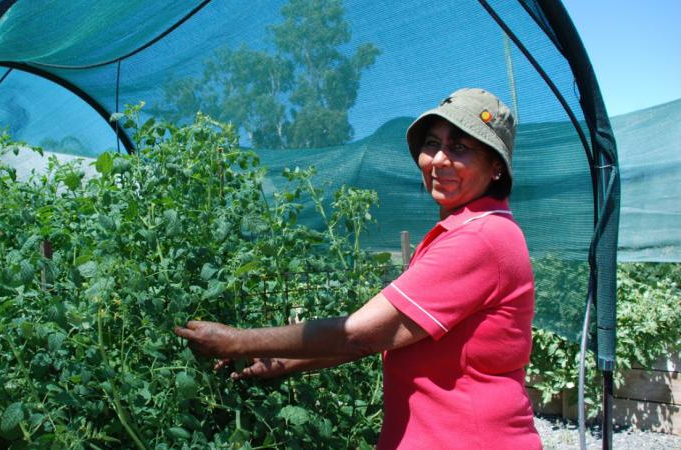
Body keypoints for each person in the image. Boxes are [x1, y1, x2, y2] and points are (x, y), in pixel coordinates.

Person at [174, 88, 542, 449]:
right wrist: (286, 360)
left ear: (496, 167)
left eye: (460, 147)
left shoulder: (481, 238)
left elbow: (360, 334)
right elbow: (385, 336)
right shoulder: (468, 231)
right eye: (432, 143)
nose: (439, 159)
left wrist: (233, 340)